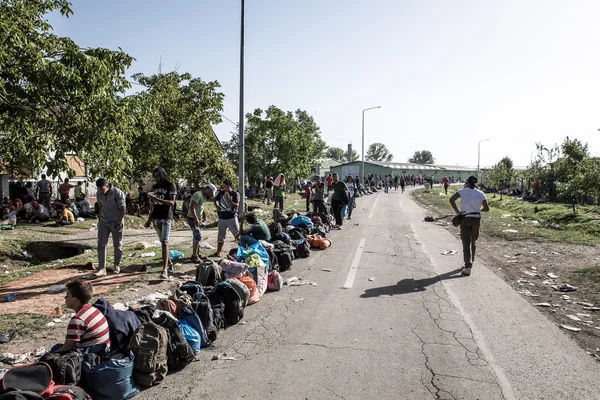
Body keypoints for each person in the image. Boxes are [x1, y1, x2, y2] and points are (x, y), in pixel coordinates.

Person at [51, 279, 110, 354]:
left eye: (67, 295)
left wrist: (51, 355)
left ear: (75, 300)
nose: (65, 298)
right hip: (103, 351)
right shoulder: (95, 310)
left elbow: (68, 347)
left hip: (92, 357)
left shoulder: (78, 320)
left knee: (54, 352)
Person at [449, 175, 490, 276]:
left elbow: (451, 199)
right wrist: (477, 210)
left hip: (465, 219)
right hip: (476, 219)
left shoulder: (463, 191)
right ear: (476, 184)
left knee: (466, 242)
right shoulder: (481, 193)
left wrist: (458, 212)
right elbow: (487, 208)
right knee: (473, 241)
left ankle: (468, 266)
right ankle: (472, 259)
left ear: (467, 183)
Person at [144, 167, 177, 280]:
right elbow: (153, 205)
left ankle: (165, 270)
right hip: (156, 217)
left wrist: (158, 198)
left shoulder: (171, 185)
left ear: (163, 174)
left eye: (158, 175)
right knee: (163, 243)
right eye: (155, 176)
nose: (157, 178)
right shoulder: (155, 187)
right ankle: (170, 263)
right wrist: (149, 219)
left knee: (165, 243)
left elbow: (172, 203)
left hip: (166, 217)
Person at [93, 178, 125, 277]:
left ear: (107, 186)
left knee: (117, 244)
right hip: (104, 221)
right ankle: (102, 268)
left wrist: (119, 221)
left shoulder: (117, 193)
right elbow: (100, 206)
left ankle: (117, 265)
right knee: (101, 244)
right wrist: (99, 219)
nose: (101, 191)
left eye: (102, 189)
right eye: (99, 189)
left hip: (116, 220)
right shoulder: (99, 194)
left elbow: (123, 208)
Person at [210, 179, 240, 258]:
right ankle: (218, 252)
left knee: (237, 235)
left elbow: (236, 205)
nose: (225, 188)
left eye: (226, 187)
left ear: (230, 186)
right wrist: (217, 206)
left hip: (232, 217)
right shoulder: (221, 193)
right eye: (224, 186)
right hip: (222, 217)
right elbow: (215, 200)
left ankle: (243, 250)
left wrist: (229, 200)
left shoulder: (235, 194)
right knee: (220, 236)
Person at [187, 184, 217, 263]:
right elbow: (192, 207)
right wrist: (195, 218)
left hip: (198, 219)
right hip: (192, 218)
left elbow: (201, 207)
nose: (210, 195)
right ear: (207, 189)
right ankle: (194, 256)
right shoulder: (197, 194)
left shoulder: (203, 197)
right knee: (198, 236)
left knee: (196, 236)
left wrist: (203, 216)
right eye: (210, 192)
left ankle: (197, 253)